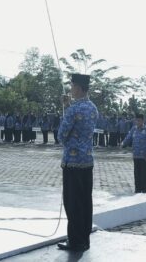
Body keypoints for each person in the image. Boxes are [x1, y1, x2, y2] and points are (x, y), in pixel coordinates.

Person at [56, 73, 98, 252]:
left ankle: (75, 241)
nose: (70, 89)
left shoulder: (74, 110)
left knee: (72, 203)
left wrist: (67, 109)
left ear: (79, 88)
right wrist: (68, 106)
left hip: (72, 162)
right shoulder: (93, 108)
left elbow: (61, 136)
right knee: (85, 201)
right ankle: (84, 239)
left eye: (72, 86)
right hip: (87, 161)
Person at [122, 113, 146, 193]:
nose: (138, 122)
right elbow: (128, 137)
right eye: (136, 121)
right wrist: (123, 143)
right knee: (136, 172)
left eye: (139, 121)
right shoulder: (133, 129)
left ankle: (144, 188)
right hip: (136, 154)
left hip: (144, 155)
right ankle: (138, 188)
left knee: (143, 172)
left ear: (143, 120)